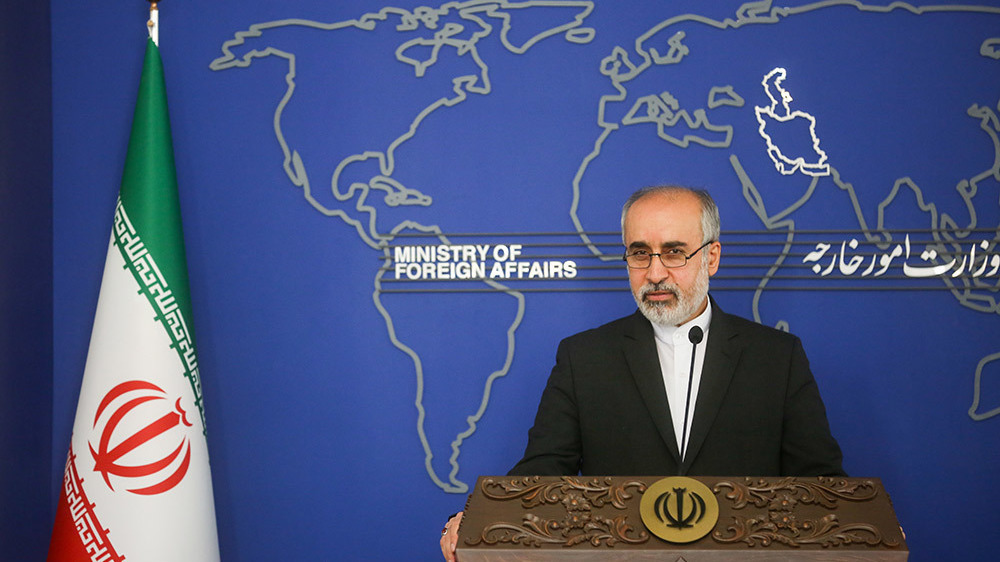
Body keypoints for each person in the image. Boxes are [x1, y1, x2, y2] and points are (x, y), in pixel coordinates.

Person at [440, 186, 844, 561]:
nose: (654, 273)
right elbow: (543, 473)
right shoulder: (584, 358)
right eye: (639, 253)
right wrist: (481, 517)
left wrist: (867, 521)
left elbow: (822, 484)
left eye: (673, 252)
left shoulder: (776, 357)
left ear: (712, 257)